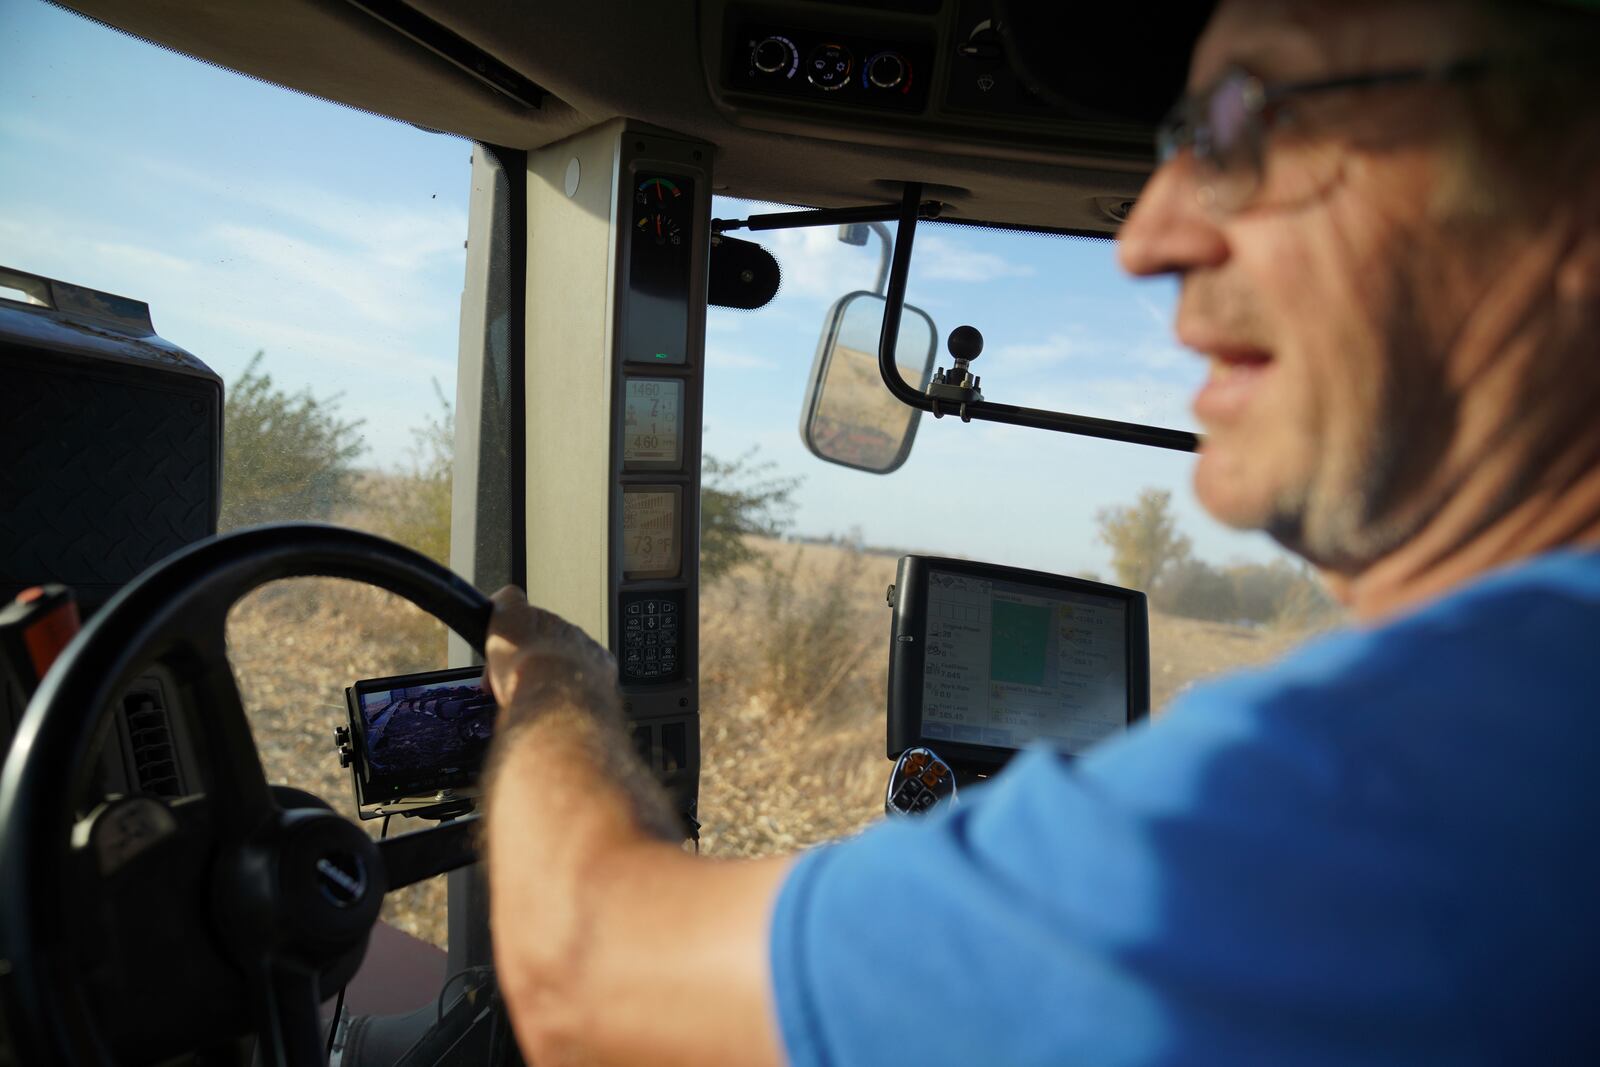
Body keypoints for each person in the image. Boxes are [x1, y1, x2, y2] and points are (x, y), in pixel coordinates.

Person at [482, 0, 1600, 1062]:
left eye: (1259, 121)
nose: (1148, 237)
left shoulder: (1373, 793)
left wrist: (559, 689)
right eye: (1181, 138)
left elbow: (585, 973)